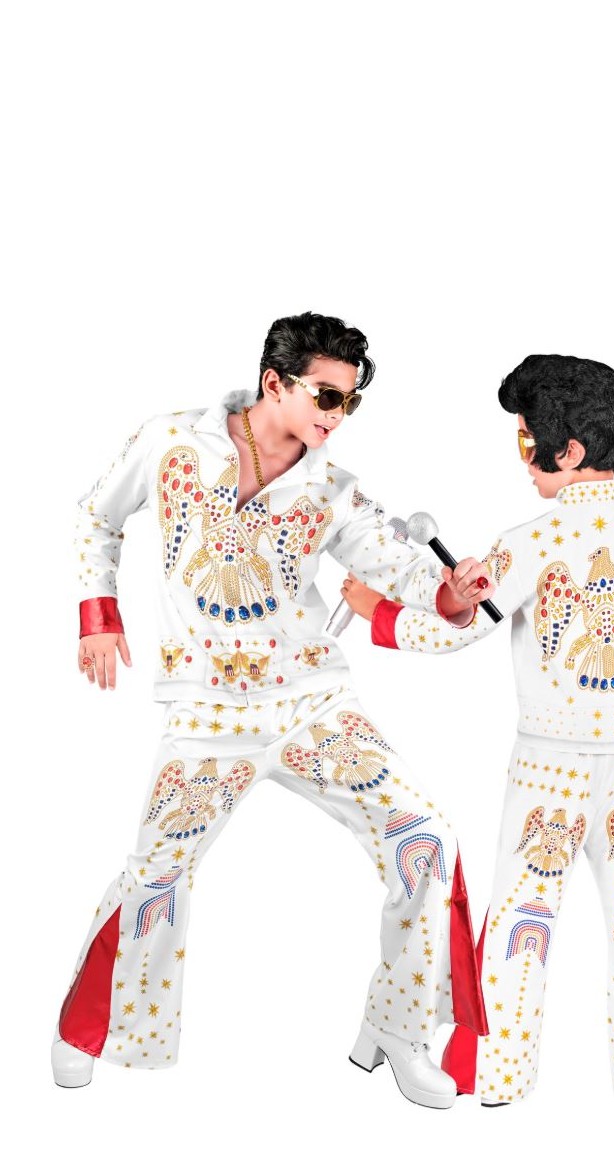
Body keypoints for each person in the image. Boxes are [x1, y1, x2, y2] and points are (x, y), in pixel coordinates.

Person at [53, 311, 488, 1107]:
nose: (338, 415)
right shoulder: (172, 441)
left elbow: (398, 566)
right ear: (273, 382)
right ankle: (96, 1031)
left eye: (350, 402)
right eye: (327, 395)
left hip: (312, 706)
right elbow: (96, 515)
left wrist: (453, 594)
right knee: (157, 872)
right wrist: (98, 615)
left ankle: (400, 1030)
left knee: (427, 837)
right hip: (206, 714)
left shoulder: (332, 489)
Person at [342, 354, 614, 1106]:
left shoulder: (527, 542)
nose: (524, 461)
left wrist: (377, 614)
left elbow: (460, 631)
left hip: (548, 768)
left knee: (521, 917)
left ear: (569, 450)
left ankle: (497, 1077)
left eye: (527, 443)